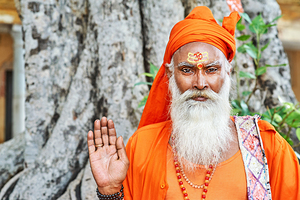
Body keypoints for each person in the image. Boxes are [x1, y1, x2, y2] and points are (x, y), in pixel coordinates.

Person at [87, 6, 300, 200]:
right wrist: (110, 191)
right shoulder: (142, 146)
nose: (200, 83)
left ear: (228, 71)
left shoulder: (268, 147)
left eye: (211, 70)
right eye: (187, 70)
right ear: (171, 74)